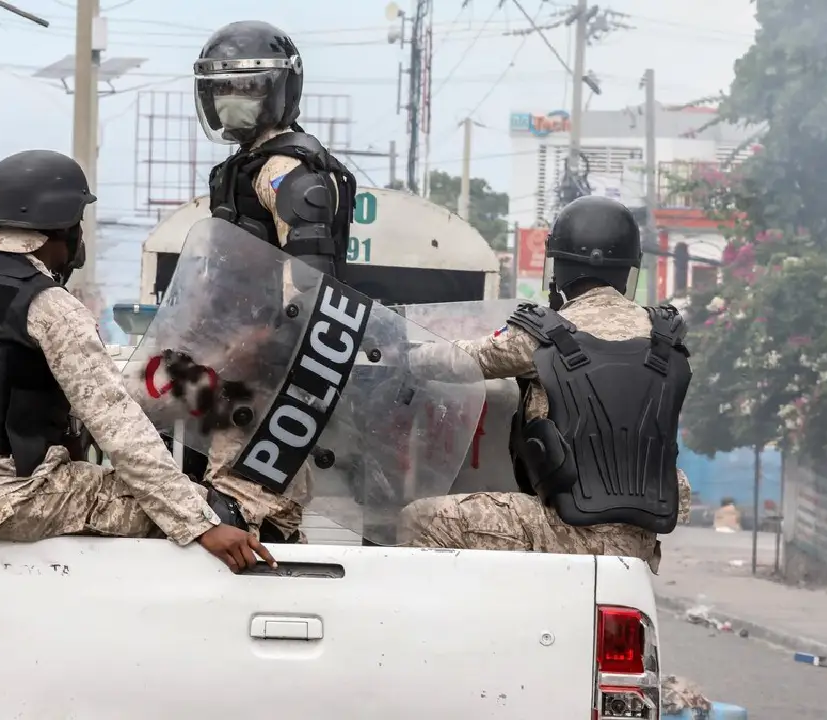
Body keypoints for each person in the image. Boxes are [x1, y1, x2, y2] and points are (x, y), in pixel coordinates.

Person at [0, 149, 272, 573]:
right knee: (191, 505)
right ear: (64, 230)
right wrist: (202, 523)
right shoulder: (49, 305)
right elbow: (119, 429)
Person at [399, 196, 693, 572]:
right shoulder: (665, 337)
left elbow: (459, 361)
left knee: (419, 519)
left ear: (563, 267)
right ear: (628, 270)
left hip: (564, 529)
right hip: (640, 541)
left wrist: (398, 352)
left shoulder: (544, 336)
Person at [193, 20, 358, 543]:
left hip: (268, 374)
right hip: (230, 366)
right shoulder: (240, 168)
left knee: (241, 506)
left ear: (280, 90)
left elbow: (309, 289)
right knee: (243, 503)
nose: (231, 100)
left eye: (246, 86)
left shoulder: (289, 173)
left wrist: (262, 345)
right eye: (222, 88)